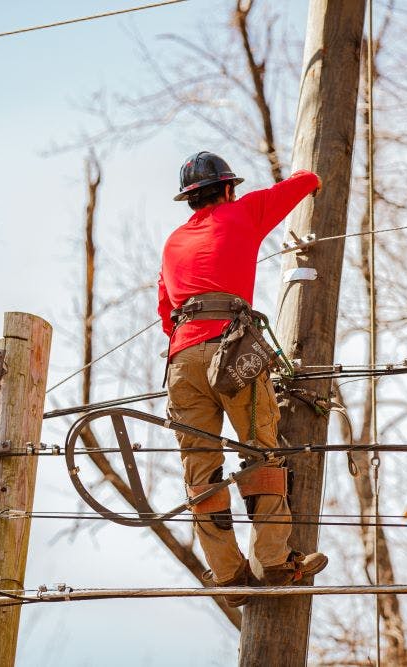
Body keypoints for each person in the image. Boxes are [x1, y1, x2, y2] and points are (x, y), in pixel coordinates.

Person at [157, 151, 328, 607]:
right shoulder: (243, 212)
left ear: (190, 199)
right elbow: (306, 180)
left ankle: (229, 576)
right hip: (231, 349)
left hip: (181, 358)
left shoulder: (173, 242)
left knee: (201, 473)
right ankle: (272, 563)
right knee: (260, 451)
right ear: (228, 188)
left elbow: (163, 312)